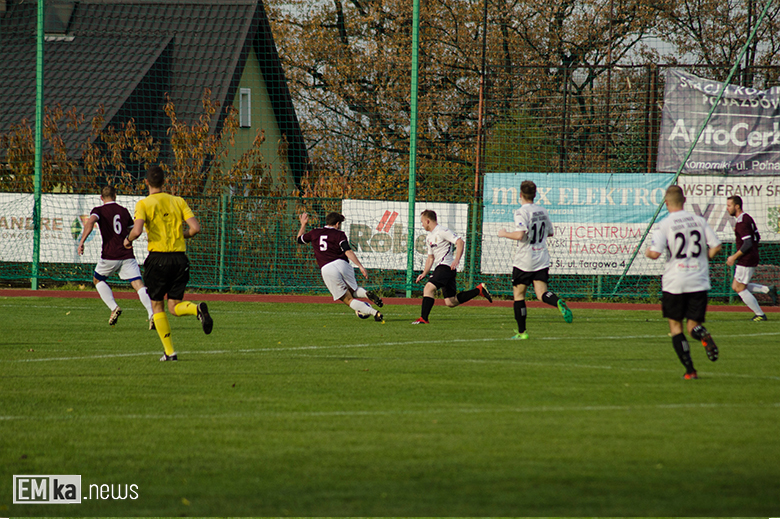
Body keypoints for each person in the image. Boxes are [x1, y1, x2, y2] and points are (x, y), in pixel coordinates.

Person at [123, 166, 213, 362]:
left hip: (159, 259)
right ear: (164, 182)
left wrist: (128, 240)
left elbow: (137, 231)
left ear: (146, 182)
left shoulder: (144, 204)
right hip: (180, 260)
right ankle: (197, 309)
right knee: (174, 306)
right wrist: (181, 235)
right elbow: (195, 228)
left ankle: (170, 353)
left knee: (158, 307)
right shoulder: (178, 201)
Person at [646, 185, 722, 379]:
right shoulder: (699, 221)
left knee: (676, 328)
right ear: (685, 200)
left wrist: (647, 251)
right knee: (692, 327)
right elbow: (716, 246)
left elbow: (654, 254)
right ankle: (702, 333)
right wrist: (705, 259)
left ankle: (690, 370)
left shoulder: (665, 224)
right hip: (698, 279)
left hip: (675, 282)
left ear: (666, 203)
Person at [497, 180, 573, 339]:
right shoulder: (543, 210)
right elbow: (550, 233)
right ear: (535, 194)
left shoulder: (520, 212)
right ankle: (557, 301)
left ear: (520, 195)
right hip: (541, 258)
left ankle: (522, 332)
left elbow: (520, 235)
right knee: (542, 293)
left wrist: (504, 233)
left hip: (525, 260)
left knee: (519, 296)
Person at [77, 186, 154, 328]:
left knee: (97, 279)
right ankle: (151, 313)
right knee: (138, 284)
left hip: (109, 256)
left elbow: (90, 222)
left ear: (101, 197)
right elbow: (133, 230)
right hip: (126, 254)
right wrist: (128, 241)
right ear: (115, 195)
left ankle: (114, 308)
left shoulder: (98, 210)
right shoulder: (123, 211)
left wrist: (82, 241)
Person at [297, 211, 384, 322]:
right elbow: (347, 251)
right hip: (343, 264)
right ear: (337, 224)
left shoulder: (315, 232)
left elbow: (299, 239)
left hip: (327, 268)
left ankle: (375, 313)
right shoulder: (339, 234)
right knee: (354, 290)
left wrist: (303, 224)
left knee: (348, 299)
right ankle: (366, 293)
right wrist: (360, 266)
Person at [412, 209, 492, 324]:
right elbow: (430, 258)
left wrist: (457, 259)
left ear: (428, 221)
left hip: (445, 267)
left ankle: (423, 318)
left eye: (422, 222)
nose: (422, 224)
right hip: (445, 269)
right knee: (451, 302)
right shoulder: (429, 237)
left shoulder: (442, 231)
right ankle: (478, 290)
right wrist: (424, 273)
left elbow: (460, 242)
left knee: (428, 289)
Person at [725, 195, 777, 321]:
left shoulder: (742, 222)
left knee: (739, 288)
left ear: (737, 206)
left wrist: (733, 257)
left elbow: (747, 243)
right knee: (736, 286)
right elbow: (757, 237)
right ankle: (766, 289)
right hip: (750, 257)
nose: (727, 208)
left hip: (746, 259)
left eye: (729, 205)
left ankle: (760, 314)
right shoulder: (747, 218)